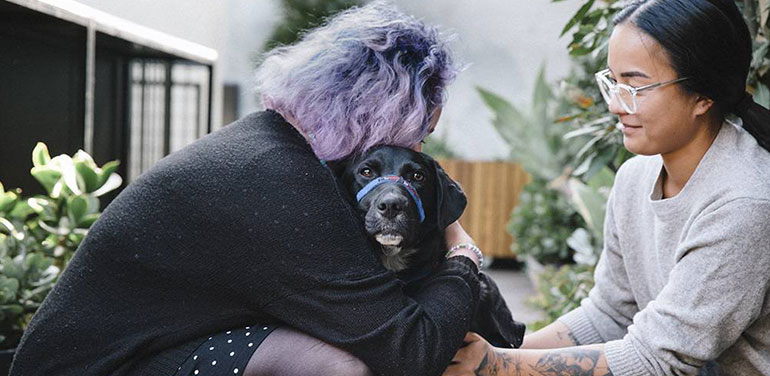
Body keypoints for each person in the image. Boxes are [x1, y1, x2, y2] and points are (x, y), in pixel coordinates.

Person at [10, 3, 484, 376]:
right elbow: (411, 352)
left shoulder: (267, 146)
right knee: (338, 366)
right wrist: (462, 257)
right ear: (379, 115)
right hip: (99, 369)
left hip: (144, 347)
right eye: (421, 129)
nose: (419, 146)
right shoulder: (281, 186)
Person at [443, 0, 770, 375]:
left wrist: (495, 366)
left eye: (636, 86)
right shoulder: (635, 178)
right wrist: (494, 353)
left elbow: (657, 359)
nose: (615, 104)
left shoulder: (744, 201)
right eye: (613, 82)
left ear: (703, 96)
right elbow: (611, 312)